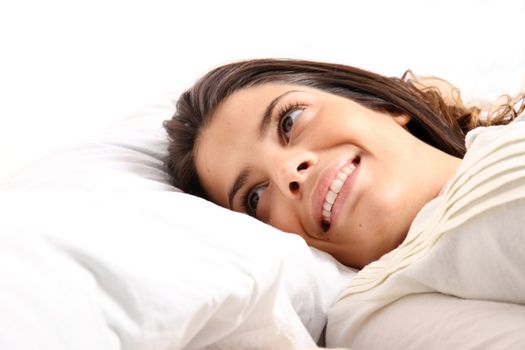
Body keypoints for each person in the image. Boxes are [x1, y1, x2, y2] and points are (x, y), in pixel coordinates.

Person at [164, 58, 525, 349]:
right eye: (255, 197)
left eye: (288, 121)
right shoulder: (375, 311)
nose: (288, 171)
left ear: (381, 103)